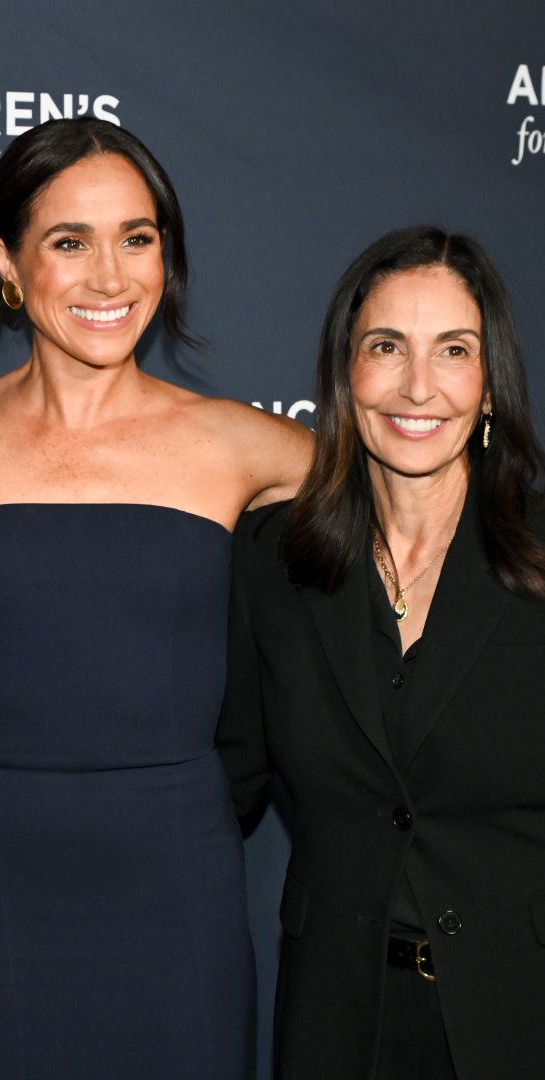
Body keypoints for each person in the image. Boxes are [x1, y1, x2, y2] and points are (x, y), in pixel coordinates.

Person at [0, 118, 312, 1080]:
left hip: (174, 890)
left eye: (136, 239)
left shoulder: (250, 447)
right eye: (71, 242)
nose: (110, 278)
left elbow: (426, 520)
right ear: (7, 263)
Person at [217, 225, 545, 1079]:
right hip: (334, 1019)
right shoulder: (272, 562)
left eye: (454, 351)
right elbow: (223, 783)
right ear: (345, 372)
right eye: (386, 346)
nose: (417, 386)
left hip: (519, 1014)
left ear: (490, 384)